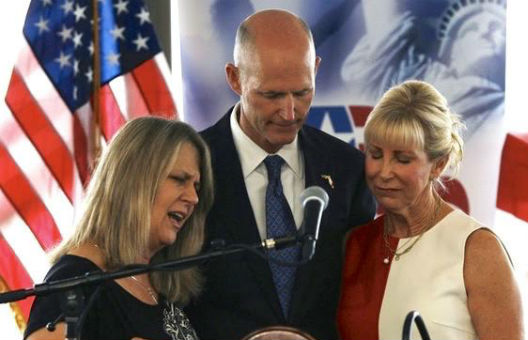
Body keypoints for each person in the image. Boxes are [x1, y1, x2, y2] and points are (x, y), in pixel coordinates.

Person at [184, 9, 376, 340]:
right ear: (234, 78)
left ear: (316, 69)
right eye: (271, 95)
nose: (290, 112)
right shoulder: (189, 167)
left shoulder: (348, 170)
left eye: (302, 93)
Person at [337, 80, 523, 339]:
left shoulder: (477, 249)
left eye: (403, 159)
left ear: (438, 164)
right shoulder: (355, 244)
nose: (384, 172)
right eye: (375, 154)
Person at [24, 117, 214, 340]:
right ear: (134, 182)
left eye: (196, 187)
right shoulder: (75, 281)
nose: (193, 198)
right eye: (179, 179)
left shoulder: (162, 283)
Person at [341, 0, 506, 138]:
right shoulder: (414, 75)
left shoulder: (506, 111)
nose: (485, 32)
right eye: (470, 29)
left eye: (497, 29)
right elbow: (385, 22)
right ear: (450, 52)